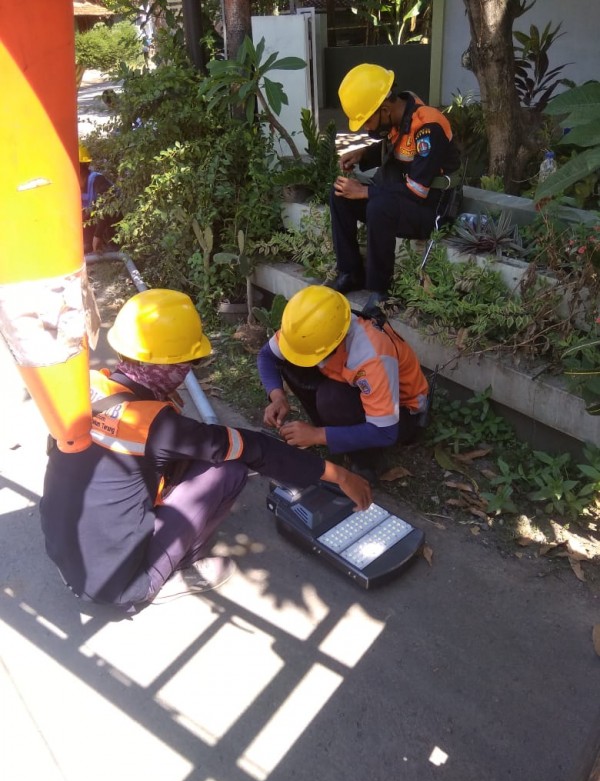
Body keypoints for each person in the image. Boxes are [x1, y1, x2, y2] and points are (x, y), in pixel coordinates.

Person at [40, 289, 371, 612]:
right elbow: (251, 447)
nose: (190, 370)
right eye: (191, 361)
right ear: (171, 365)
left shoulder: (85, 389)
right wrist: (339, 475)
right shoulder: (155, 426)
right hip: (121, 584)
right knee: (228, 469)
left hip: (63, 556)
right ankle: (170, 572)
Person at [257, 285, 429, 480]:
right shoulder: (307, 330)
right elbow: (266, 356)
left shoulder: (371, 356)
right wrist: (277, 396)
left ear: (336, 341)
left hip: (402, 415)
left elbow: (385, 432)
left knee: (331, 398)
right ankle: (333, 431)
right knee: (292, 362)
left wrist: (317, 435)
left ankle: (367, 462)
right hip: (353, 385)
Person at [330, 63, 461, 310]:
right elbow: (398, 148)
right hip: (401, 199)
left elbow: (418, 191)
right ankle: (350, 272)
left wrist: (364, 191)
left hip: (432, 209)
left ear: (385, 109)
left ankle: (379, 291)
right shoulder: (398, 119)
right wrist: (362, 155)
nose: (366, 128)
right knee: (339, 195)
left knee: (378, 206)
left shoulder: (428, 127)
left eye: (367, 121)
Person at [78, 142, 120, 254]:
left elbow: (108, 206)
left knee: (111, 213)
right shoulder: (72, 184)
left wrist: (98, 235)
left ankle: (113, 248)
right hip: (92, 224)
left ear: (84, 166)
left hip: (110, 226)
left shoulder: (97, 180)